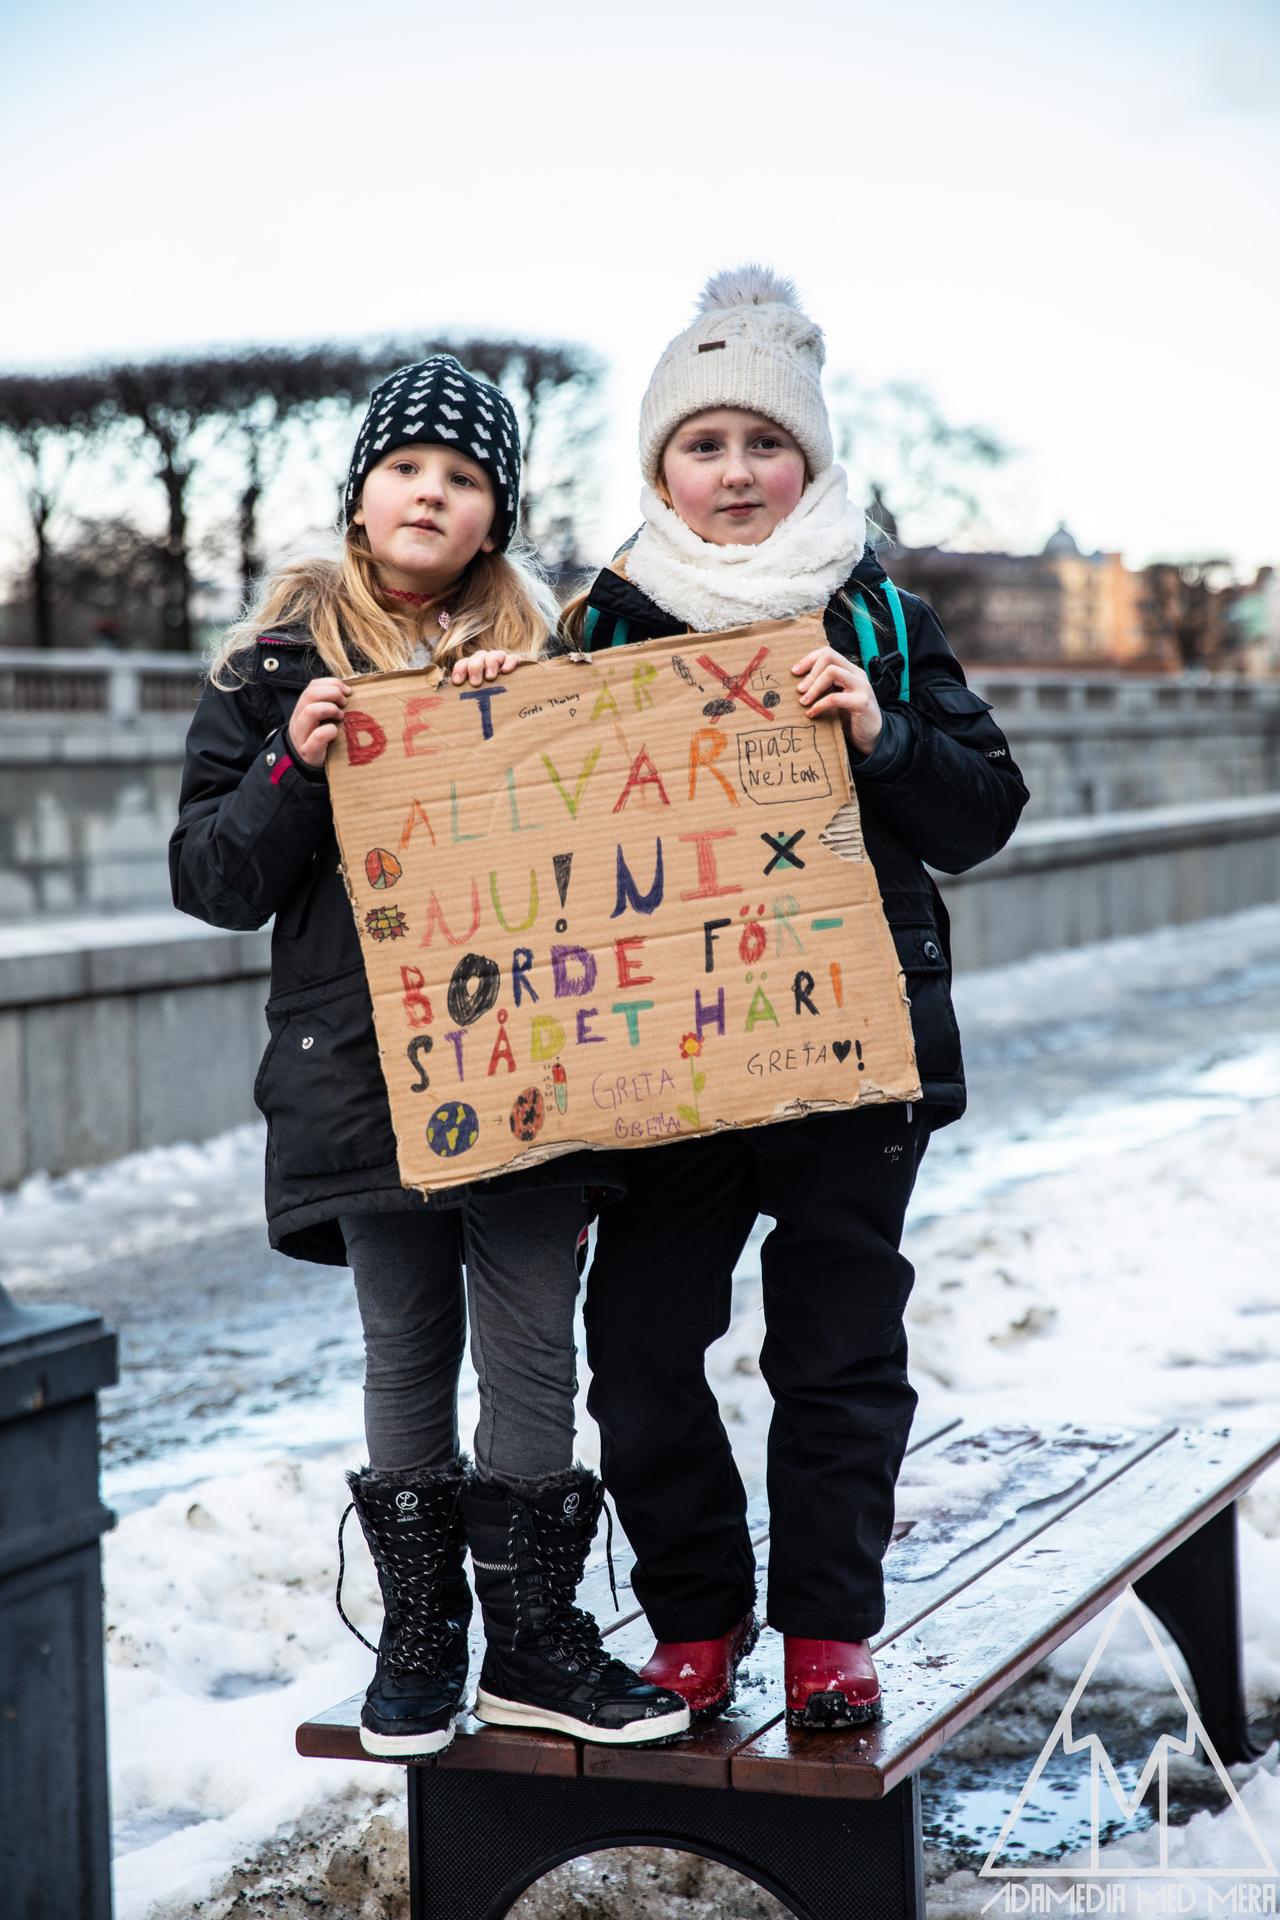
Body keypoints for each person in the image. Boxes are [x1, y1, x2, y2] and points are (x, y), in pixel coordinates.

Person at [169, 355, 689, 1759]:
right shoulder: (271, 672)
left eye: (462, 480)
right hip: (359, 1076)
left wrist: (537, 718)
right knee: (403, 1354)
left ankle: (531, 1640)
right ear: (362, 494)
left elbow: (626, 846)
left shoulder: (553, 655)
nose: (431, 494)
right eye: (408, 469)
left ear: (493, 517)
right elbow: (211, 877)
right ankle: (420, 1638)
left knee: (533, 1356)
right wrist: (292, 761)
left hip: (528, 1065)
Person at [561, 270, 1031, 1730]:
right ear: (660, 470)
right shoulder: (598, 624)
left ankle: (830, 1631)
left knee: (836, 1348)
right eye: (702, 447)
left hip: (849, 1054)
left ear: (811, 459)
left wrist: (884, 735)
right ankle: (695, 1617)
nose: (736, 473)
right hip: (669, 1064)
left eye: (765, 444)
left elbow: (983, 813)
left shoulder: (881, 616)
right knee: (637, 1347)